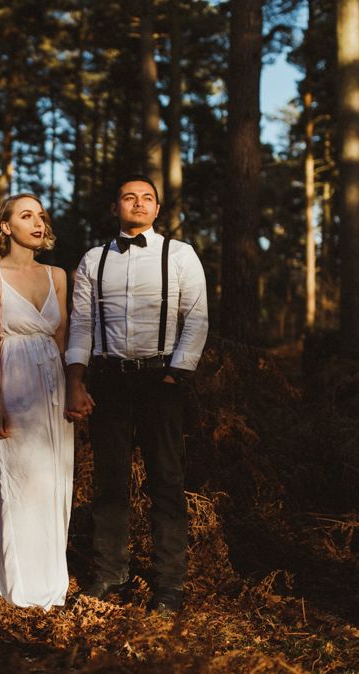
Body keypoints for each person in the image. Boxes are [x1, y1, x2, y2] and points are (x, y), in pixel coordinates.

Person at [64, 174, 208, 614]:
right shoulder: (94, 259)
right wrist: (77, 379)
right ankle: (111, 573)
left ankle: (169, 585)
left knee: (166, 482)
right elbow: (82, 324)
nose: (139, 203)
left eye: (148, 198)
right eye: (130, 197)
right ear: (116, 207)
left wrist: (175, 376)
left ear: (157, 209)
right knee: (109, 483)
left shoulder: (179, 254)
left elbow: (196, 317)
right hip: (109, 380)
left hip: (159, 380)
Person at [0, 193, 74, 609]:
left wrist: (74, 389)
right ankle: (21, 586)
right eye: (25, 215)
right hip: (14, 380)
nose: (37, 222)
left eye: (41, 215)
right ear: (5, 226)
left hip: (54, 383)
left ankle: (53, 580)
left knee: (56, 481)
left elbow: (63, 337)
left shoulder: (57, 275)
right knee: (17, 479)